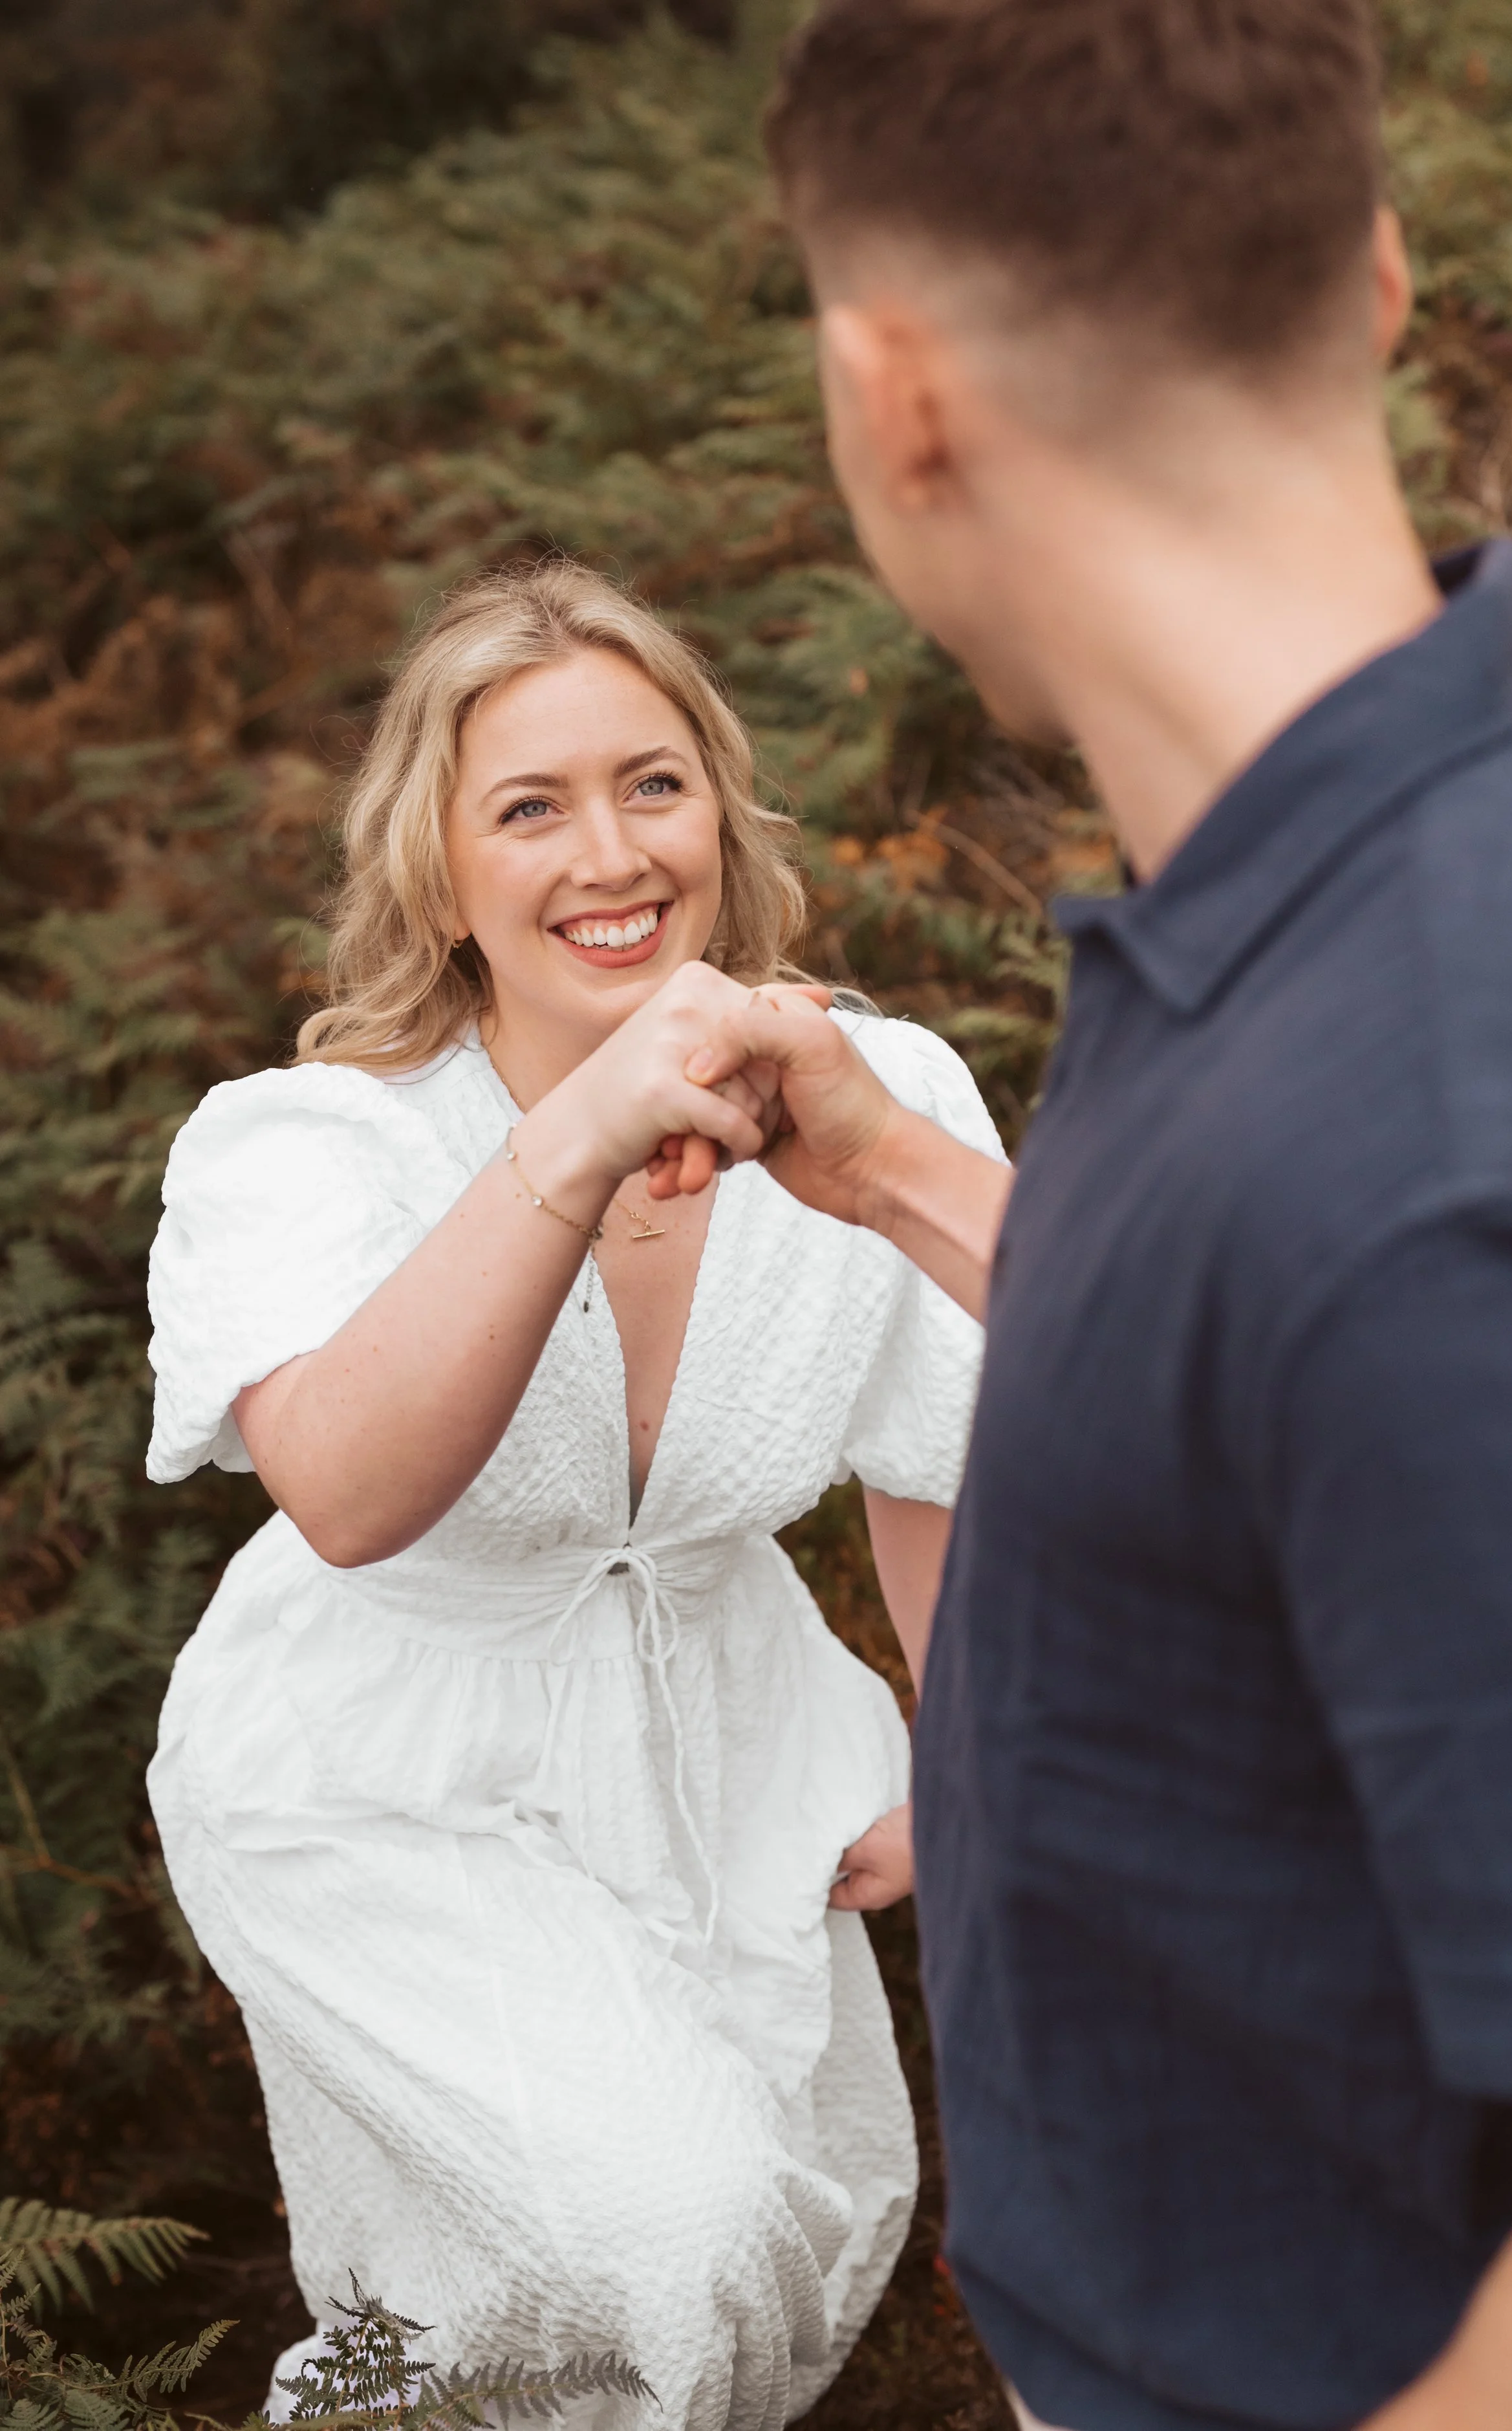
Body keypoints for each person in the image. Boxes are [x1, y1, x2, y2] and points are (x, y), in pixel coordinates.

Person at [643, 1, 1512, 2425]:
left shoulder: (1424, 1136)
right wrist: (900, 1182)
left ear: (898, 397)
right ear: (1373, 276)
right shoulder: (1389, 893)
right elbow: (1280, 1415)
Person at [143, 561, 1004, 2426]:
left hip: (733, 1754)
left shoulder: (876, 1084)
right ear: (438, 869)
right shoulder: (304, 1145)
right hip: (378, 1780)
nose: (608, 854)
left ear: (721, 806)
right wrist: (581, 1133)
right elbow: (350, 1494)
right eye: (527, 808)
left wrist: (967, 1748)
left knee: (772, 2277)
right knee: (676, 2231)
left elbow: (944, 1445)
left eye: (653, 782)